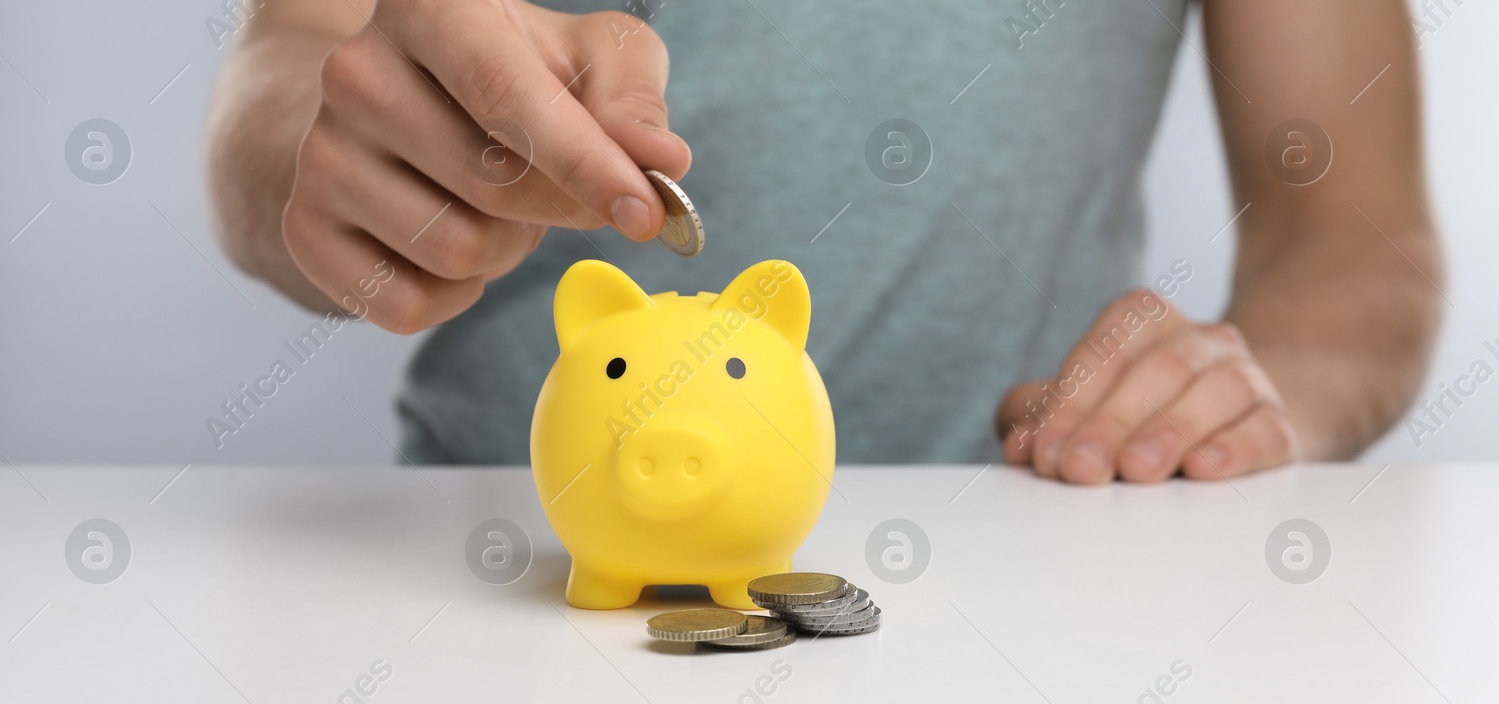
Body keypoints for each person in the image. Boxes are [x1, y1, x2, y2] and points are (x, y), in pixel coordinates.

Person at [205, 0, 1442, 483]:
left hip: (1045, 568)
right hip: (512, 575)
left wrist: (1263, 390)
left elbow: (1353, 234)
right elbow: (293, 68)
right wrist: (339, 165)